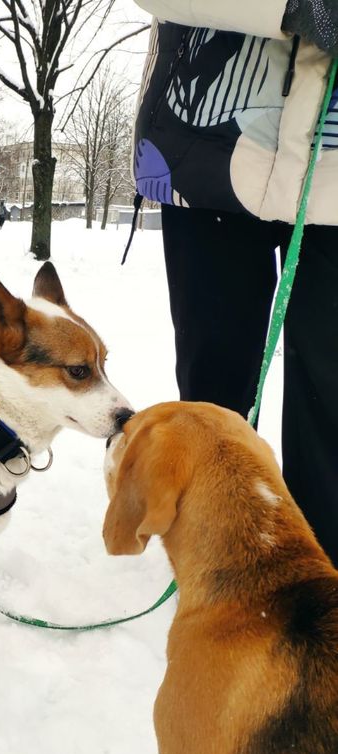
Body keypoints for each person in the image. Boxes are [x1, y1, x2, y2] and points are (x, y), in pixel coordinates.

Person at [131, 1, 338, 565]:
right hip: (211, 154)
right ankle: (213, 545)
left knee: (332, 397)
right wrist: (293, 6)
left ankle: (319, 579)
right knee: (214, 385)